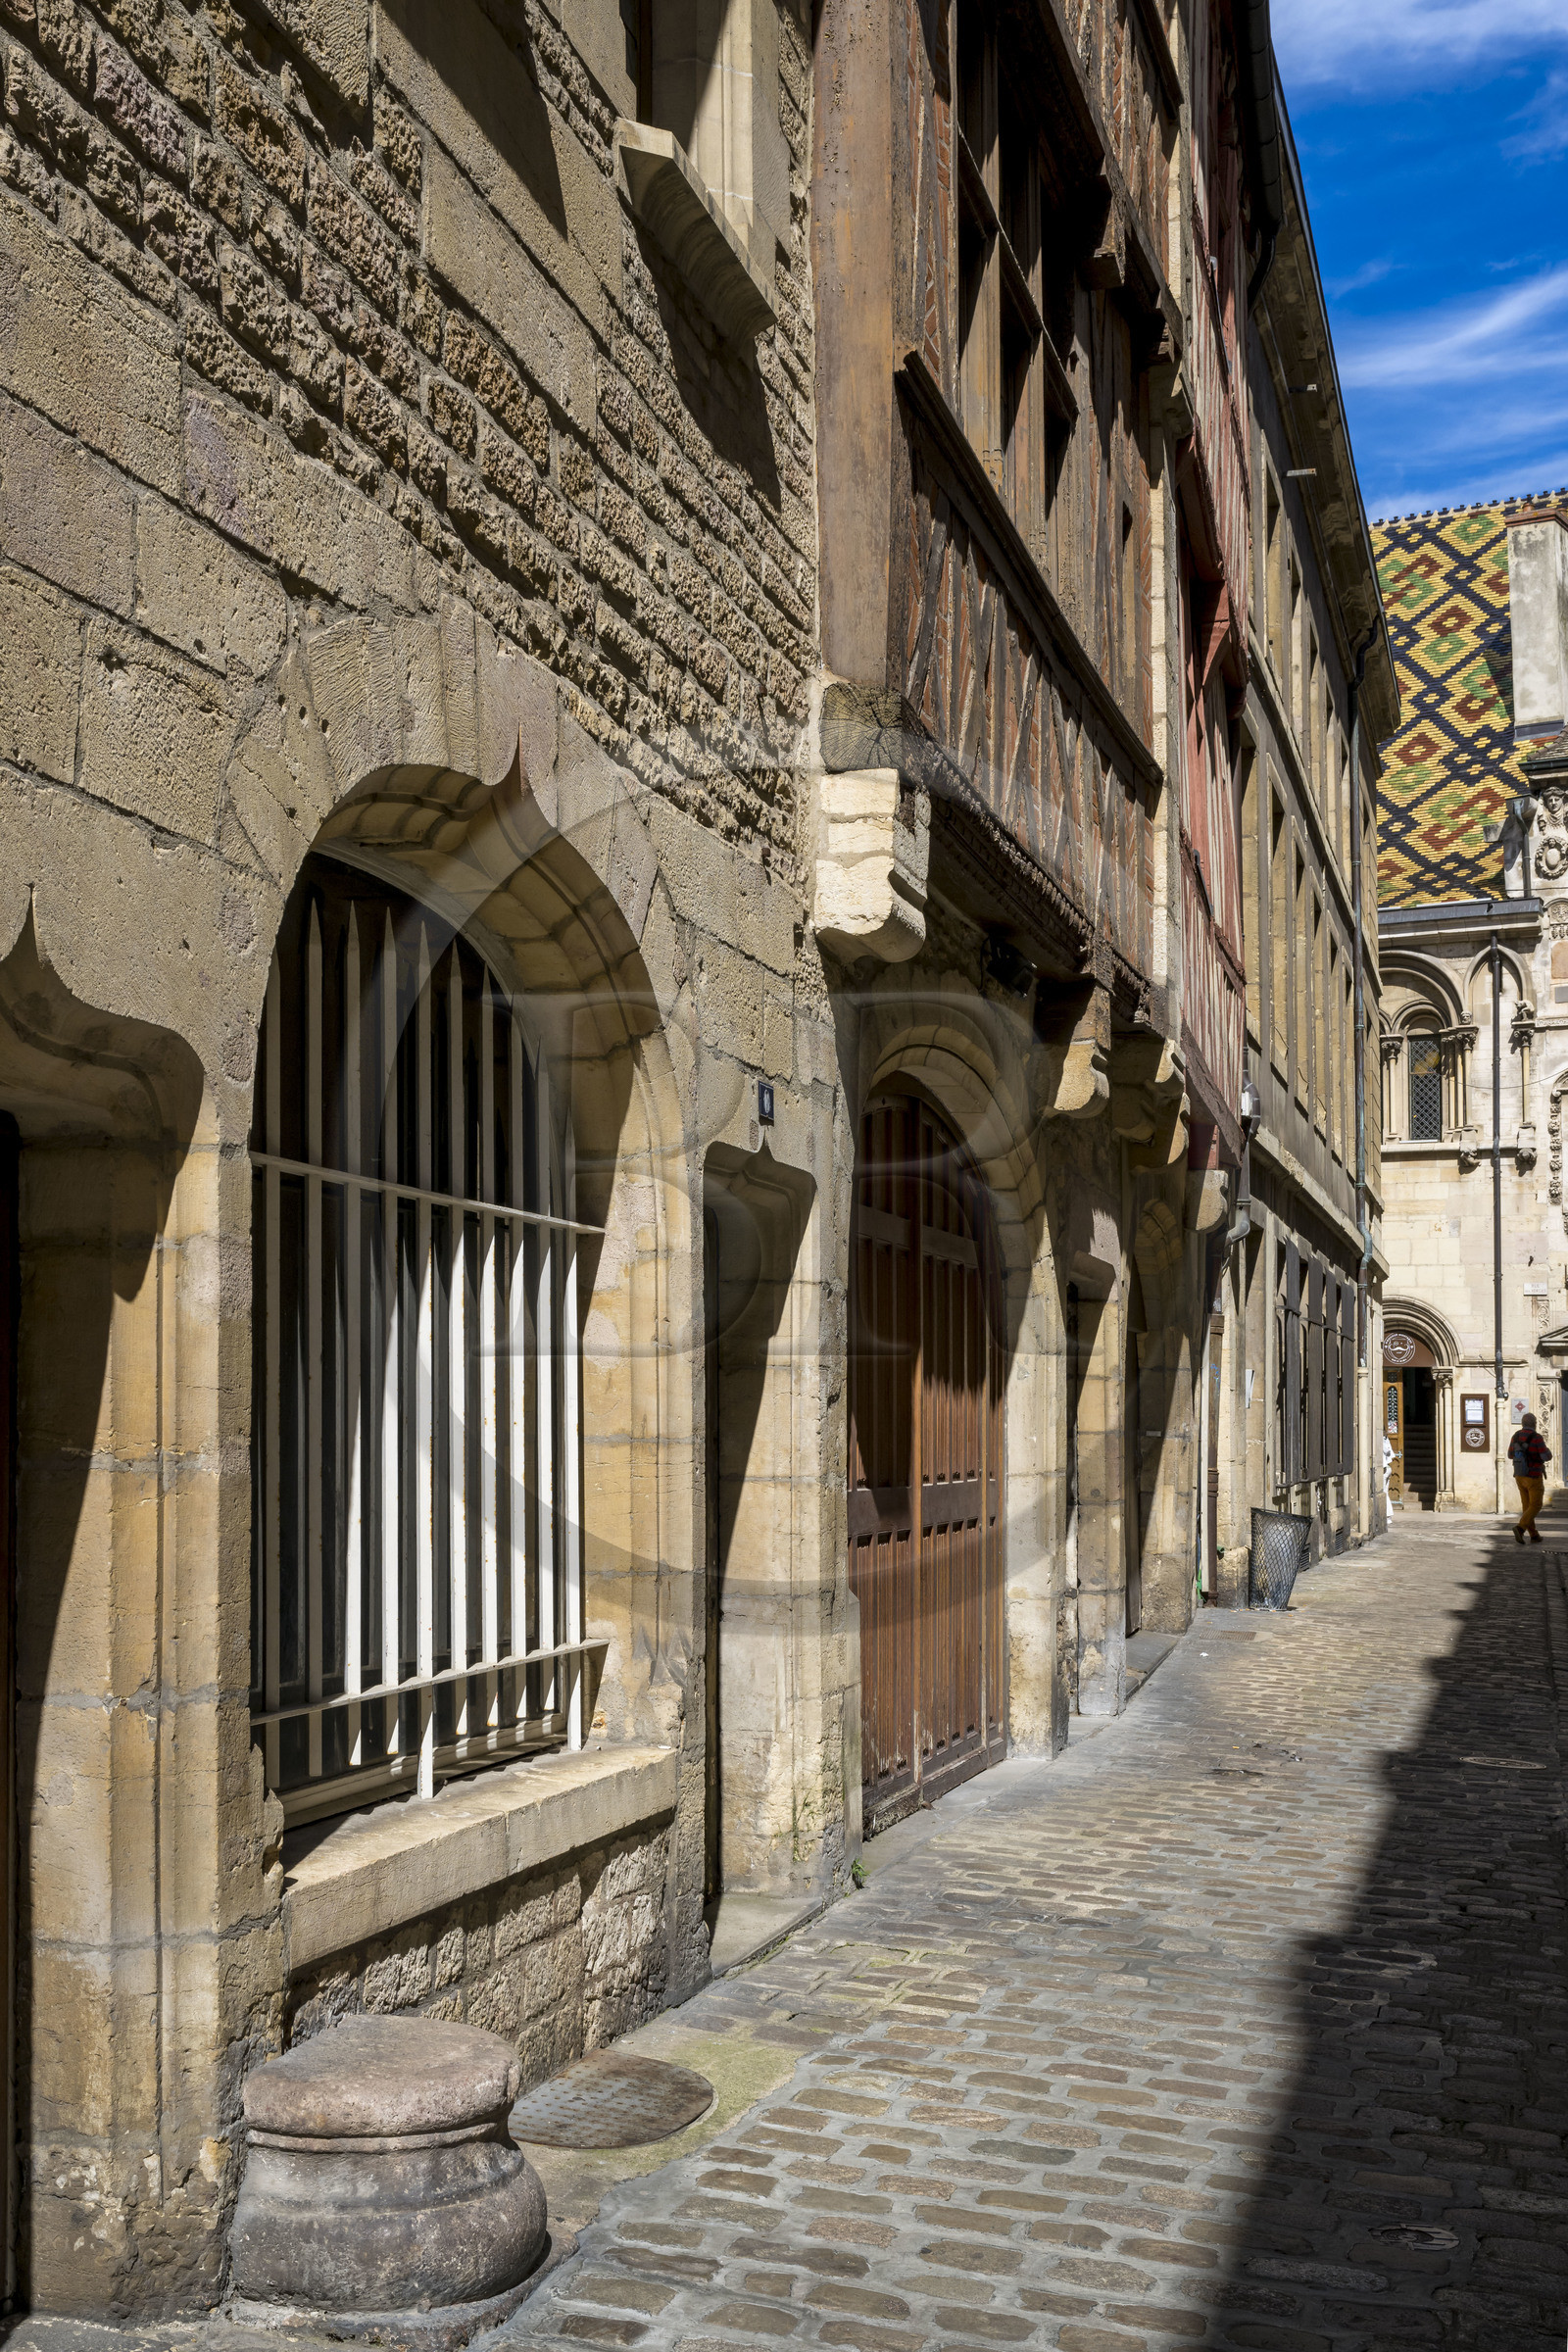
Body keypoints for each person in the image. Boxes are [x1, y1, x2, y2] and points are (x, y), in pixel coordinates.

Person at [1506, 1411, 1552, 1544]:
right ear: (1535, 1424)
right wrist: (1547, 1450)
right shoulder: (1537, 1437)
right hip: (1533, 1476)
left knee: (1527, 1506)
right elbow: (1546, 1456)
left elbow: (1510, 1455)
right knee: (1536, 1505)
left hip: (1519, 1476)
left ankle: (1534, 1535)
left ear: (1522, 1423)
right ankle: (1520, 1528)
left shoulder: (1515, 1436)